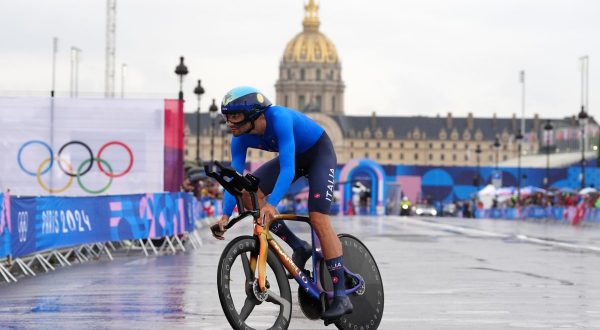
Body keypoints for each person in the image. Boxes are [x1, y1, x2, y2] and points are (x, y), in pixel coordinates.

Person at [210, 86, 352, 321]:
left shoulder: (280, 118)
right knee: (248, 193)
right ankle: (299, 246)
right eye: (227, 117)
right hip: (294, 157)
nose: (230, 123)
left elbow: (288, 169)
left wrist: (272, 203)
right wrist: (225, 216)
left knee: (318, 217)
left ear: (254, 114)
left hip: (318, 154)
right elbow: (233, 181)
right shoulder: (239, 139)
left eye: (234, 117)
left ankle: (341, 296)